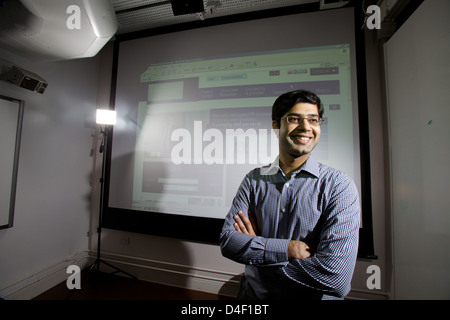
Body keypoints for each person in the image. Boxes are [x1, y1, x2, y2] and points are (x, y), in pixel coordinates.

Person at [219, 89, 360, 300]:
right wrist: (288, 249)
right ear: (276, 126)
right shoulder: (253, 180)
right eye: (295, 119)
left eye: (313, 120)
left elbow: (335, 278)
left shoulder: (339, 186)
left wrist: (260, 257)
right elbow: (229, 242)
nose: (306, 127)